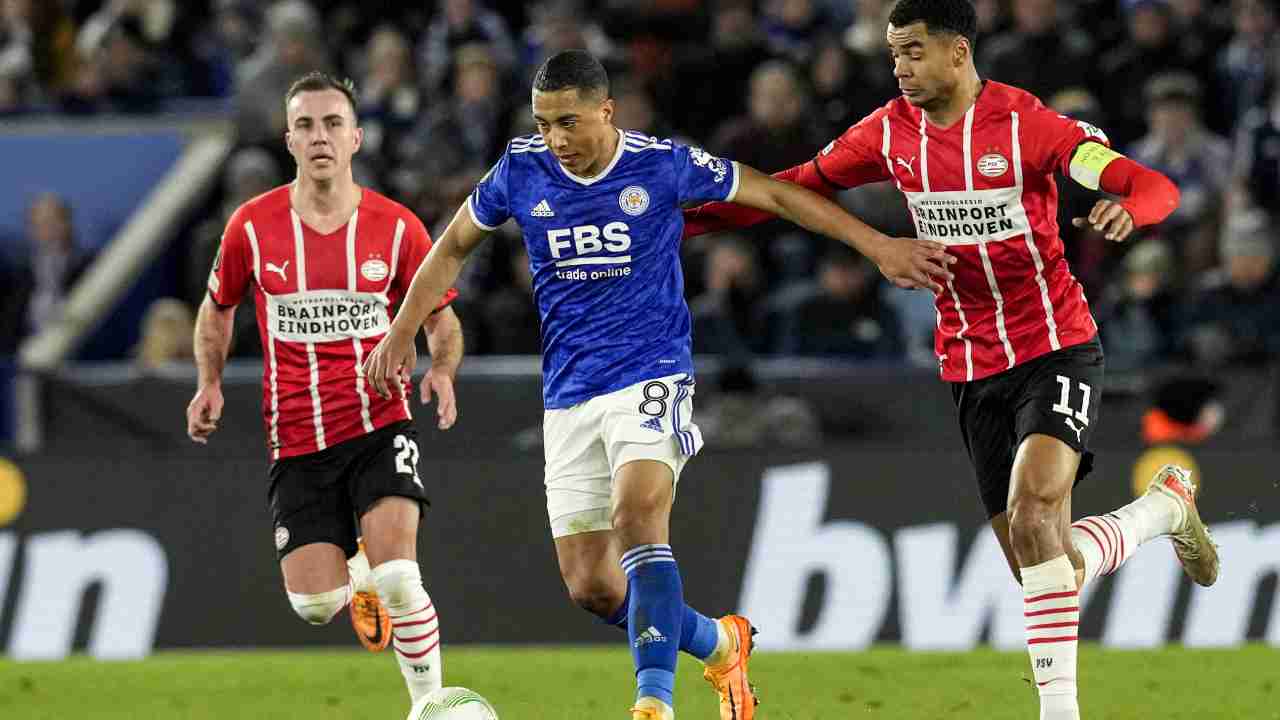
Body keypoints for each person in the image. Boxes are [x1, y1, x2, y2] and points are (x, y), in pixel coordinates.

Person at [362, 50, 949, 720]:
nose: (558, 139)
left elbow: (779, 195)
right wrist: (402, 330)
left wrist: (878, 246)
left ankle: (653, 702)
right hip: (568, 392)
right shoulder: (521, 169)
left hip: (651, 372)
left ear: (607, 112)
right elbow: (453, 246)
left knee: (637, 515)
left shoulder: (662, 164)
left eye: (571, 122)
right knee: (593, 587)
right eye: (546, 122)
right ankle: (720, 642)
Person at [681, 2, 1220, 719]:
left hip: (1054, 342)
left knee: (1034, 519)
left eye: (911, 51)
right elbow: (796, 186)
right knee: (1042, 566)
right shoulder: (888, 133)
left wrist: (1132, 208)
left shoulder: (1030, 125)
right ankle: (1161, 510)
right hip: (970, 365)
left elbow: (1149, 184)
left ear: (958, 52)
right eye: (892, 54)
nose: (898, 67)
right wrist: (680, 213)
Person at [185, 71, 463, 707]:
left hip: (379, 424)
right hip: (296, 439)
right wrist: (209, 382)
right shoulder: (251, 229)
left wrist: (442, 367)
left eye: (333, 123)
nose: (320, 136)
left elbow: (444, 316)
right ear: (289, 140)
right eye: (306, 125)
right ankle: (355, 577)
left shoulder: (397, 229)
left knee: (400, 574)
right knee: (316, 605)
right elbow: (218, 305)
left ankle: (431, 704)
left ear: (356, 137)